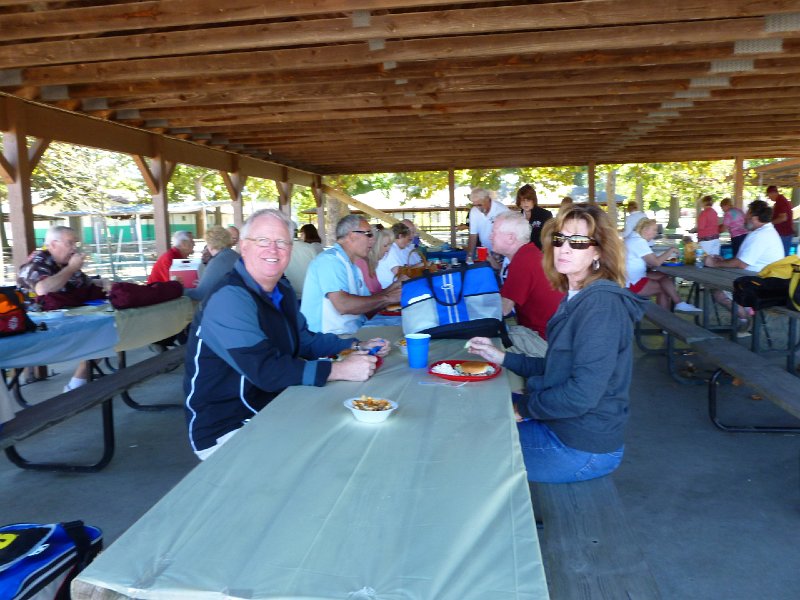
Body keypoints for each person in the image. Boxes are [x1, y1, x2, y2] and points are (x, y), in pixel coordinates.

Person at [184, 209, 390, 460]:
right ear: (243, 247)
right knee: (336, 453)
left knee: (358, 435)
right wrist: (340, 370)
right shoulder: (229, 298)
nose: (273, 250)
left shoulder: (281, 288)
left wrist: (356, 345)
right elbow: (266, 371)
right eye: (263, 241)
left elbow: (304, 340)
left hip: (274, 404)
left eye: (282, 242)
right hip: (228, 426)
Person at [466, 204, 647, 483]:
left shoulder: (601, 307)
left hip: (580, 447)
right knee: (475, 404)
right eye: (559, 239)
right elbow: (558, 367)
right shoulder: (577, 294)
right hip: (564, 426)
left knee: (471, 442)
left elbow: (581, 395)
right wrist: (502, 357)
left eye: (577, 242)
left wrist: (523, 408)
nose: (564, 248)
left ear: (598, 251)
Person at [17, 225, 108, 392]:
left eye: (75, 243)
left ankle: (76, 385)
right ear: (52, 244)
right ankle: (75, 388)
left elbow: (86, 284)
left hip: (68, 319)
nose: (74, 248)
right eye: (70, 243)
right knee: (102, 335)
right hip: (40, 327)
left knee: (107, 332)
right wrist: (72, 268)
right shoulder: (37, 263)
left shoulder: (64, 263)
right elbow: (43, 289)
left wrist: (105, 283)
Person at [300, 215, 401, 334]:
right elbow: (343, 305)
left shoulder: (353, 266)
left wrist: (395, 288)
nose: (373, 240)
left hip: (351, 334)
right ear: (352, 235)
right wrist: (388, 298)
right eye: (368, 234)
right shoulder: (330, 261)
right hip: (326, 340)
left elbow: (368, 304)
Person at [705, 200, 785, 327]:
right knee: (717, 285)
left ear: (754, 218)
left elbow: (741, 263)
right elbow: (743, 260)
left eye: (747, 216)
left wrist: (715, 264)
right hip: (759, 279)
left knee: (718, 292)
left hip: (759, 284)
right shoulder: (764, 231)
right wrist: (722, 261)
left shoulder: (761, 235)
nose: (744, 219)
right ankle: (745, 314)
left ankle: (745, 318)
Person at [489, 212, 564, 339]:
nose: (490, 236)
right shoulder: (529, 254)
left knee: (477, 345)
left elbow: (503, 310)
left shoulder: (523, 261)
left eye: (494, 232)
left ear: (510, 238)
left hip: (544, 340)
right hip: (554, 334)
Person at [625, 219, 701, 312]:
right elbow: (656, 262)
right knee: (664, 289)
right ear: (645, 230)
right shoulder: (638, 242)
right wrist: (671, 250)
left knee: (664, 277)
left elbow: (647, 260)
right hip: (632, 283)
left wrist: (650, 263)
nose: (655, 233)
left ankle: (679, 304)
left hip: (629, 277)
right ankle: (667, 318)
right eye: (654, 230)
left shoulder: (632, 238)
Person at [184, 226, 239, 302]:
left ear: (210, 244)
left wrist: (179, 289)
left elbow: (200, 294)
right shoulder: (235, 255)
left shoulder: (217, 261)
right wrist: (204, 282)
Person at [465, 188, 509, 268]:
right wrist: (469, 256)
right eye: (475, 205)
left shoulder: (502, 210)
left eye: (480, 205)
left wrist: (498, 253)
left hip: (503, 251)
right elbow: (473, 235)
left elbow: (508, 234)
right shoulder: (474, 211)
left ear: (487, 200)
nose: (478, 208)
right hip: (486, 250)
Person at [376, 222, 414, 289]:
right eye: (407, 239)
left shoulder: (395, 248)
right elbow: (398, 273)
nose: (407, 242)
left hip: (391, 287)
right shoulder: (392, 249)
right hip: (388, 288)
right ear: (400, 236)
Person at [356, 228, 394, 294]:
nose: (388, 250)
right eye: (385, 245)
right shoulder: (362, 263)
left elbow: (378, 293)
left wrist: (397, 284)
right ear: (375, 245)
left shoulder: (371, 264)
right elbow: (371, 297)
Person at [515, 184, 553, 250]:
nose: (525, 203)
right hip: (523, 252)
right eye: (523, 200)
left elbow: (549, 238)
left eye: (528, 200)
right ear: (519, 202)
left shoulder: (545, 215)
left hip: (540, 253)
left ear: (533, 200)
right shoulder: (517, 218)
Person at [766, 185, 794, 256]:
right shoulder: (780, 201)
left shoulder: (781, 201)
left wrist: (770, 223)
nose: (769, 197)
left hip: (784, 234)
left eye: (768, 195)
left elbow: (783, 218)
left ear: (772, 193)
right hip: (783, 233)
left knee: (782, 256)